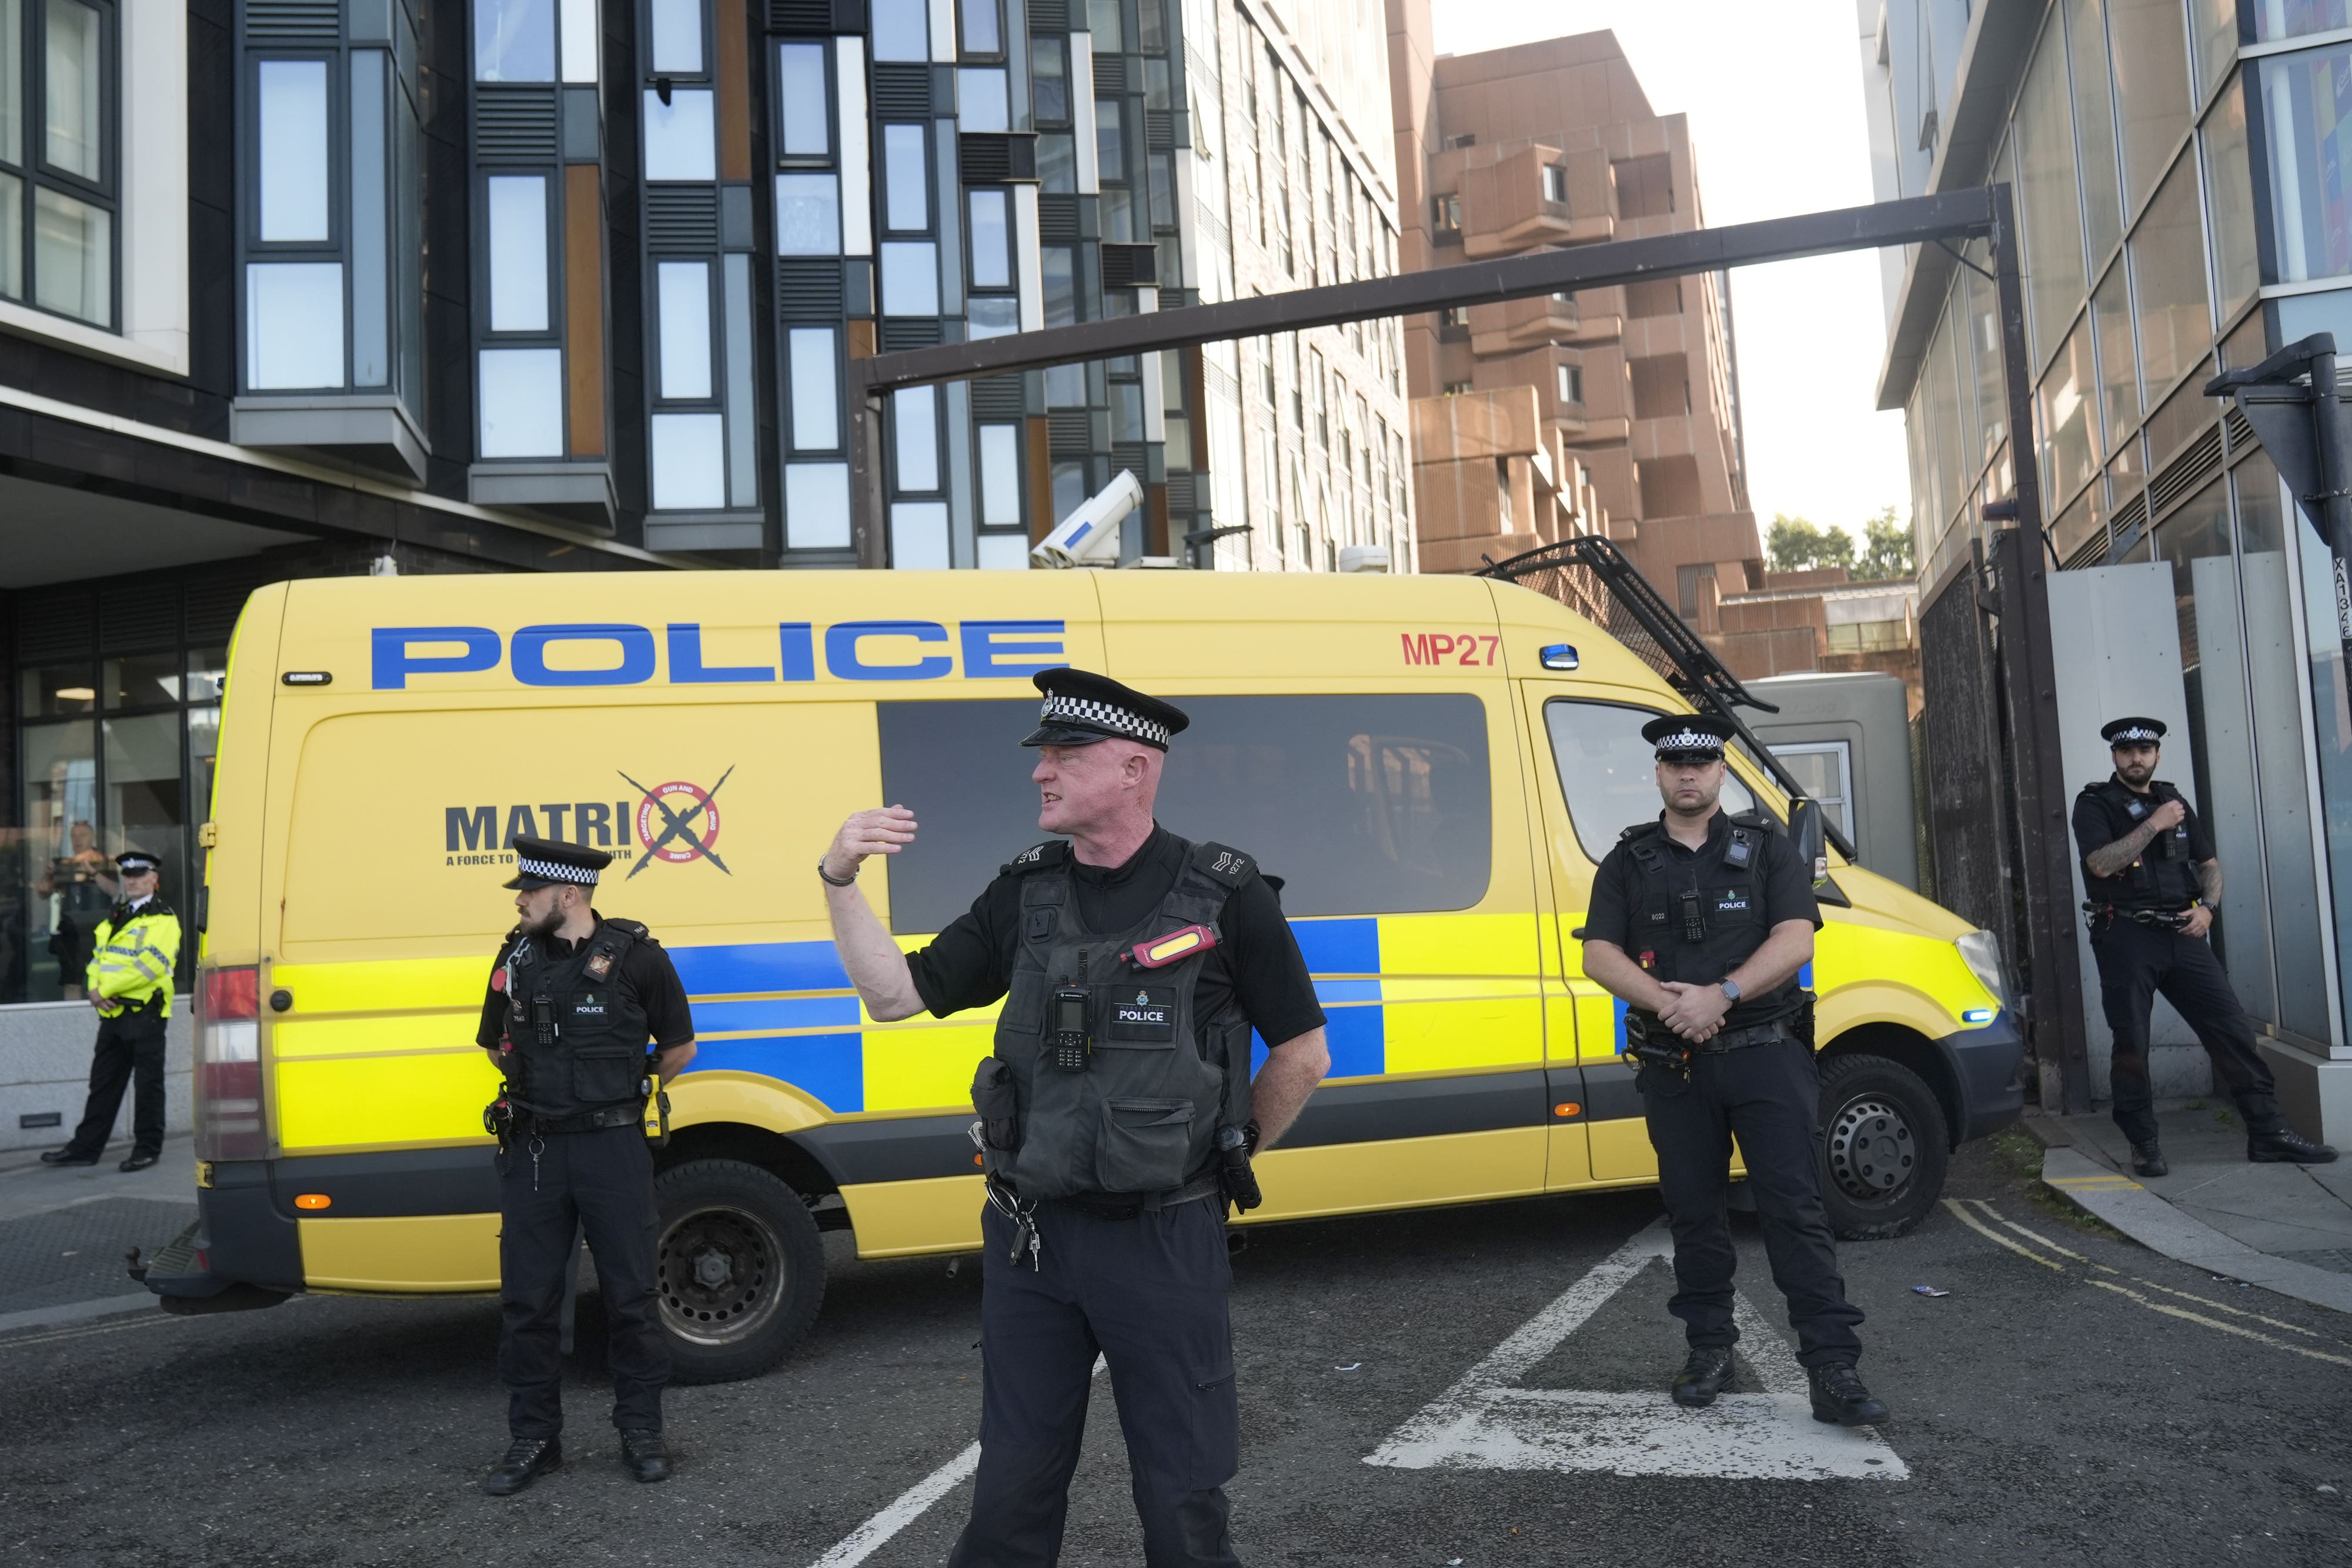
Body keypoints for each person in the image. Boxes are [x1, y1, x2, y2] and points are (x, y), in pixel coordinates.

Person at [819, 668, 1330, 1568]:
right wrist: (839, 878)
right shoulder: (1026, 891)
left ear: (1135, 769)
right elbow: (894, 994)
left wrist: (1233, 1150)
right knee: (1014, 1485)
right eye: (1043, 755)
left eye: (1065, 753)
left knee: (1181, 1491)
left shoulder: (1226, 891)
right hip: (1033, 1239)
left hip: (1165, 1236)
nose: (1040, 772)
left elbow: (1302, 1052)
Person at [1578, 714, 1889, 1427]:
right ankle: (1708, 1349)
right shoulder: (1627, 861)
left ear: (1720, 773)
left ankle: (1832, 1367)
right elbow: (1599, 953)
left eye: (1702, 763)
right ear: (1658, 775)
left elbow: (1796, 936)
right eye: (1675, 765)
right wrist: (1669, 1005)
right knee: (1695, 1214)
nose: (1688, 775)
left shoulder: (1767, 848)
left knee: (1795, 1210)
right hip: (1677, 1065)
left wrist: (1721, 995)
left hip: (1765, 1055)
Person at [472, 836, 697, 1497]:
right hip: (536, 1151)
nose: (520, 900)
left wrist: (626, 1086)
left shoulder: (638, 959)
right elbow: (493, 1045)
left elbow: (680, 1045)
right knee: (528, 1302)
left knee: (631, 1297)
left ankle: (641, 1431)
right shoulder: (512, 959)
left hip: (612, 1149)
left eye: (530, 891)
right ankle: (534, 1438)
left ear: (568, 895)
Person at [2073, 717, 2336, 1178]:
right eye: (2128, 751)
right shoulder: (2095, 803)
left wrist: (2209, 907)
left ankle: (2269, 1133)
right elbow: (2099, 863)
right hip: (2128, 935)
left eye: (2146, 750)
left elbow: (2209, 863)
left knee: (2231, 1028)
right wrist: (2154, 824)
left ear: (2157, 754)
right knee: (2132, 1041)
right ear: (2115, 756)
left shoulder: (2175, 799)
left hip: (2184, 931)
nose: (2137, 758)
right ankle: (2143, 1142)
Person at [41, 849, 179, 1172]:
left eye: (140, 875)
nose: (133, 881)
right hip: (112, 1014)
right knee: (102, 1085)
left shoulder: (164, 919)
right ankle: (85, 1149)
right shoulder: (117, 915)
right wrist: (93, 989)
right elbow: (99, 957)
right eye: (128, 876)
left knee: (148, 1087)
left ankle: (146, 1149)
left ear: (154, 879)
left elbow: (152, 966)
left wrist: (104, 990)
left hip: (145, 1014)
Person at [37, 821, 116, 1001]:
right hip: (71, 929)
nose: (78, 840)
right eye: (74, 835)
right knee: (72, 979)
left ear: (93, 837)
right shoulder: (66, 865)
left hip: (100, 928)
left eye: (83, 835)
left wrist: (94, 873)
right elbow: (43, 892)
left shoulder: (105, 863)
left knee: (104, 978)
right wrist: (49, 874)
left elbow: (116, 891)